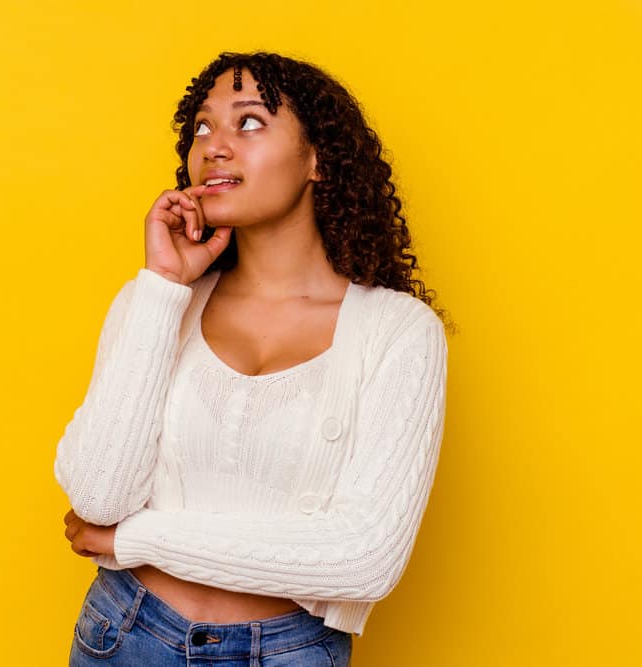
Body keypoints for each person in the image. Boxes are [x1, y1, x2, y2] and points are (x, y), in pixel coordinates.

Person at [54, 50, 451, 666]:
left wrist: (139, 539)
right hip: (123, 635)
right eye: (203, 127)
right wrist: (164, 286)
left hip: (289, 653)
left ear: (319, 157)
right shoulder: (155, 302)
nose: (213, 145)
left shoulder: (398, 332)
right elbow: (99, 498)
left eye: (249, 122)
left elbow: (364, 558)